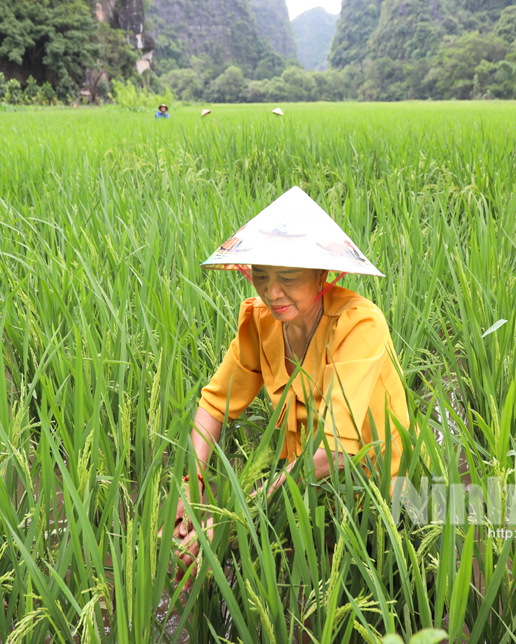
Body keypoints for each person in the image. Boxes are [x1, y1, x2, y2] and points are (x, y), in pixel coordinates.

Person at [168, 186, 411, 586]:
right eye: (261, 276)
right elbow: (214, 406)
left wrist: (236, 514)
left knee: (367, 584)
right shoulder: (261, 321)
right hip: (301, 485)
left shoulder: (360, 325)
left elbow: (334, 452)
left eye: (289, 277)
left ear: (323, 275)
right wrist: (190, 484)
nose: (272, 292)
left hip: (376, 490)